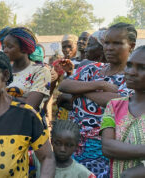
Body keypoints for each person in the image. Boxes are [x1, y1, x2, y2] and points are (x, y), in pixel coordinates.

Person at [58, 22, 137, 177]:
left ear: (131, 46)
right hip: (74, 148)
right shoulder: (92, 69)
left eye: (117, 43)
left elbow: (115, 101)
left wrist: (81, 91)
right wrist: (100, 84)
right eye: (107, 43)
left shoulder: (133, 76)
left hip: (106, 151)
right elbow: (65, 85)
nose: (109, 48)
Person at [101, 46, 145, 178]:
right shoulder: (114, 106)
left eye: (142, 67)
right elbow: (107, 147)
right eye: (129, 65)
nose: (131, 72)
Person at [3, 27, 51, 112]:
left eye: (9, 47)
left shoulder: (40, 71)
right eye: (4, 46)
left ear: (24, 48)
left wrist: (0, 97)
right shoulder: (2, 71)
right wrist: (21, 99)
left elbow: (30, 106)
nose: (5, 50)